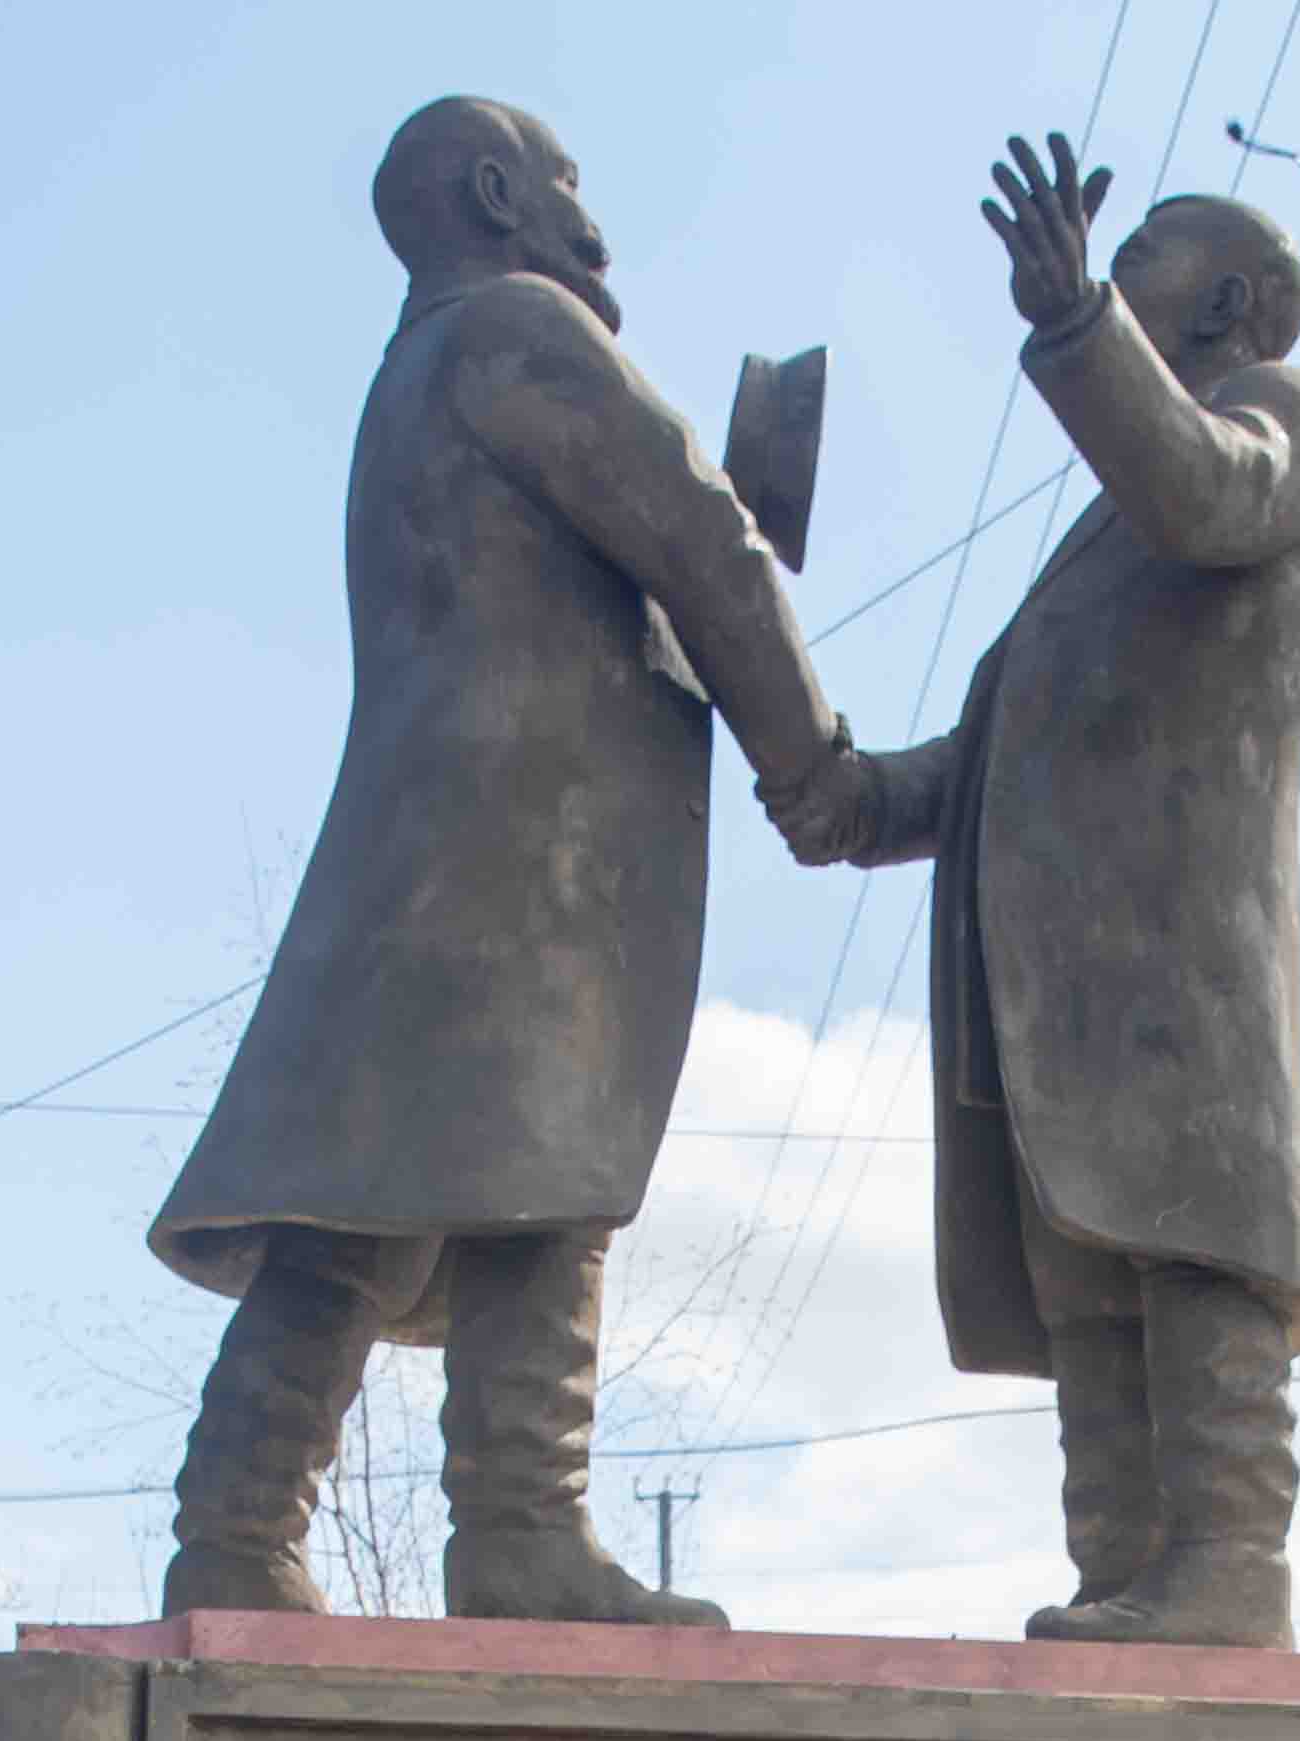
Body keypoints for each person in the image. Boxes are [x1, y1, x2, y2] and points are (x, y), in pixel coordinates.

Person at [144, 95, 859, 1627]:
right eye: (565, 181)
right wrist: (816, 770)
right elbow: (689, 535)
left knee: (357, 1207)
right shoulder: (520, 329)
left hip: (432, 860)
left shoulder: (415, 370)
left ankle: (237, 1531)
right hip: (522, 874)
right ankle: (518, 1526)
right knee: (544, 1173)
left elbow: (615, 572)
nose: (589, 218)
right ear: (496, 193)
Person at [773, 140, 1300, 1647]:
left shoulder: (1286, 417)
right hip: (1066, 997)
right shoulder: (1097, 538)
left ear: (1229, 299)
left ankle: (1227, 1569)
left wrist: (1074, 325)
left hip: (1179, 964)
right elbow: (998, 754)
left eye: (1148, 255)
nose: (1123, 269)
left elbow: (1211, 494)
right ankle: (1124, 1577)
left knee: (1193, 1251)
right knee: (1095, 1280)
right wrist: (846, 797)